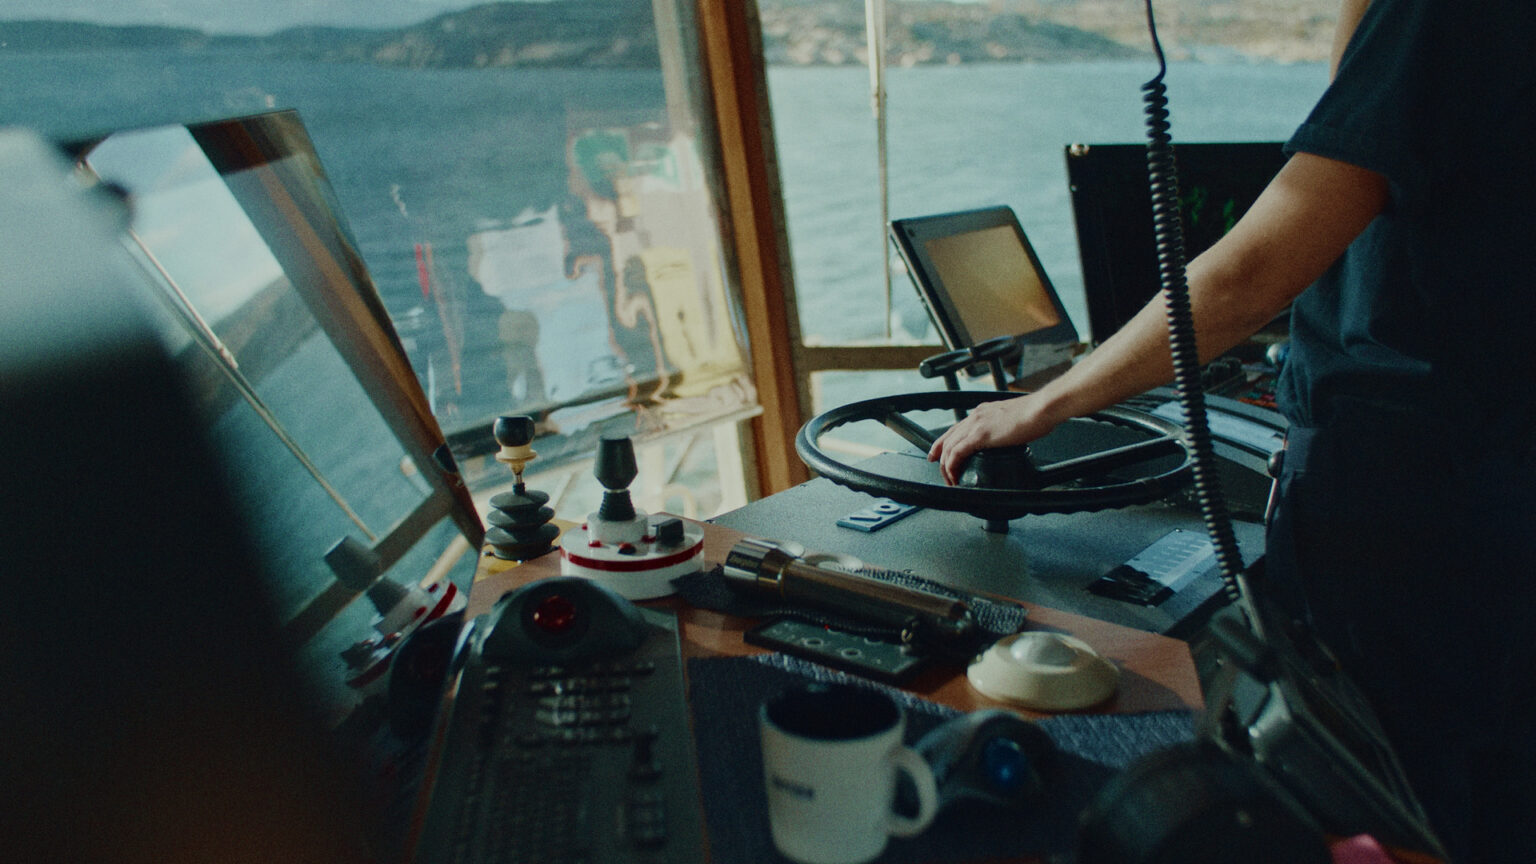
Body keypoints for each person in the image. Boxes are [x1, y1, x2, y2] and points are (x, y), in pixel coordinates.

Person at [928, 1, 1536, 861]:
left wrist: (1048, 401)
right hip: (1491, 485)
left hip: (1405, 511)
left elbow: (1251, 273)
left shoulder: (1434, 16)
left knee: (1385, 800)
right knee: (1488, 790)